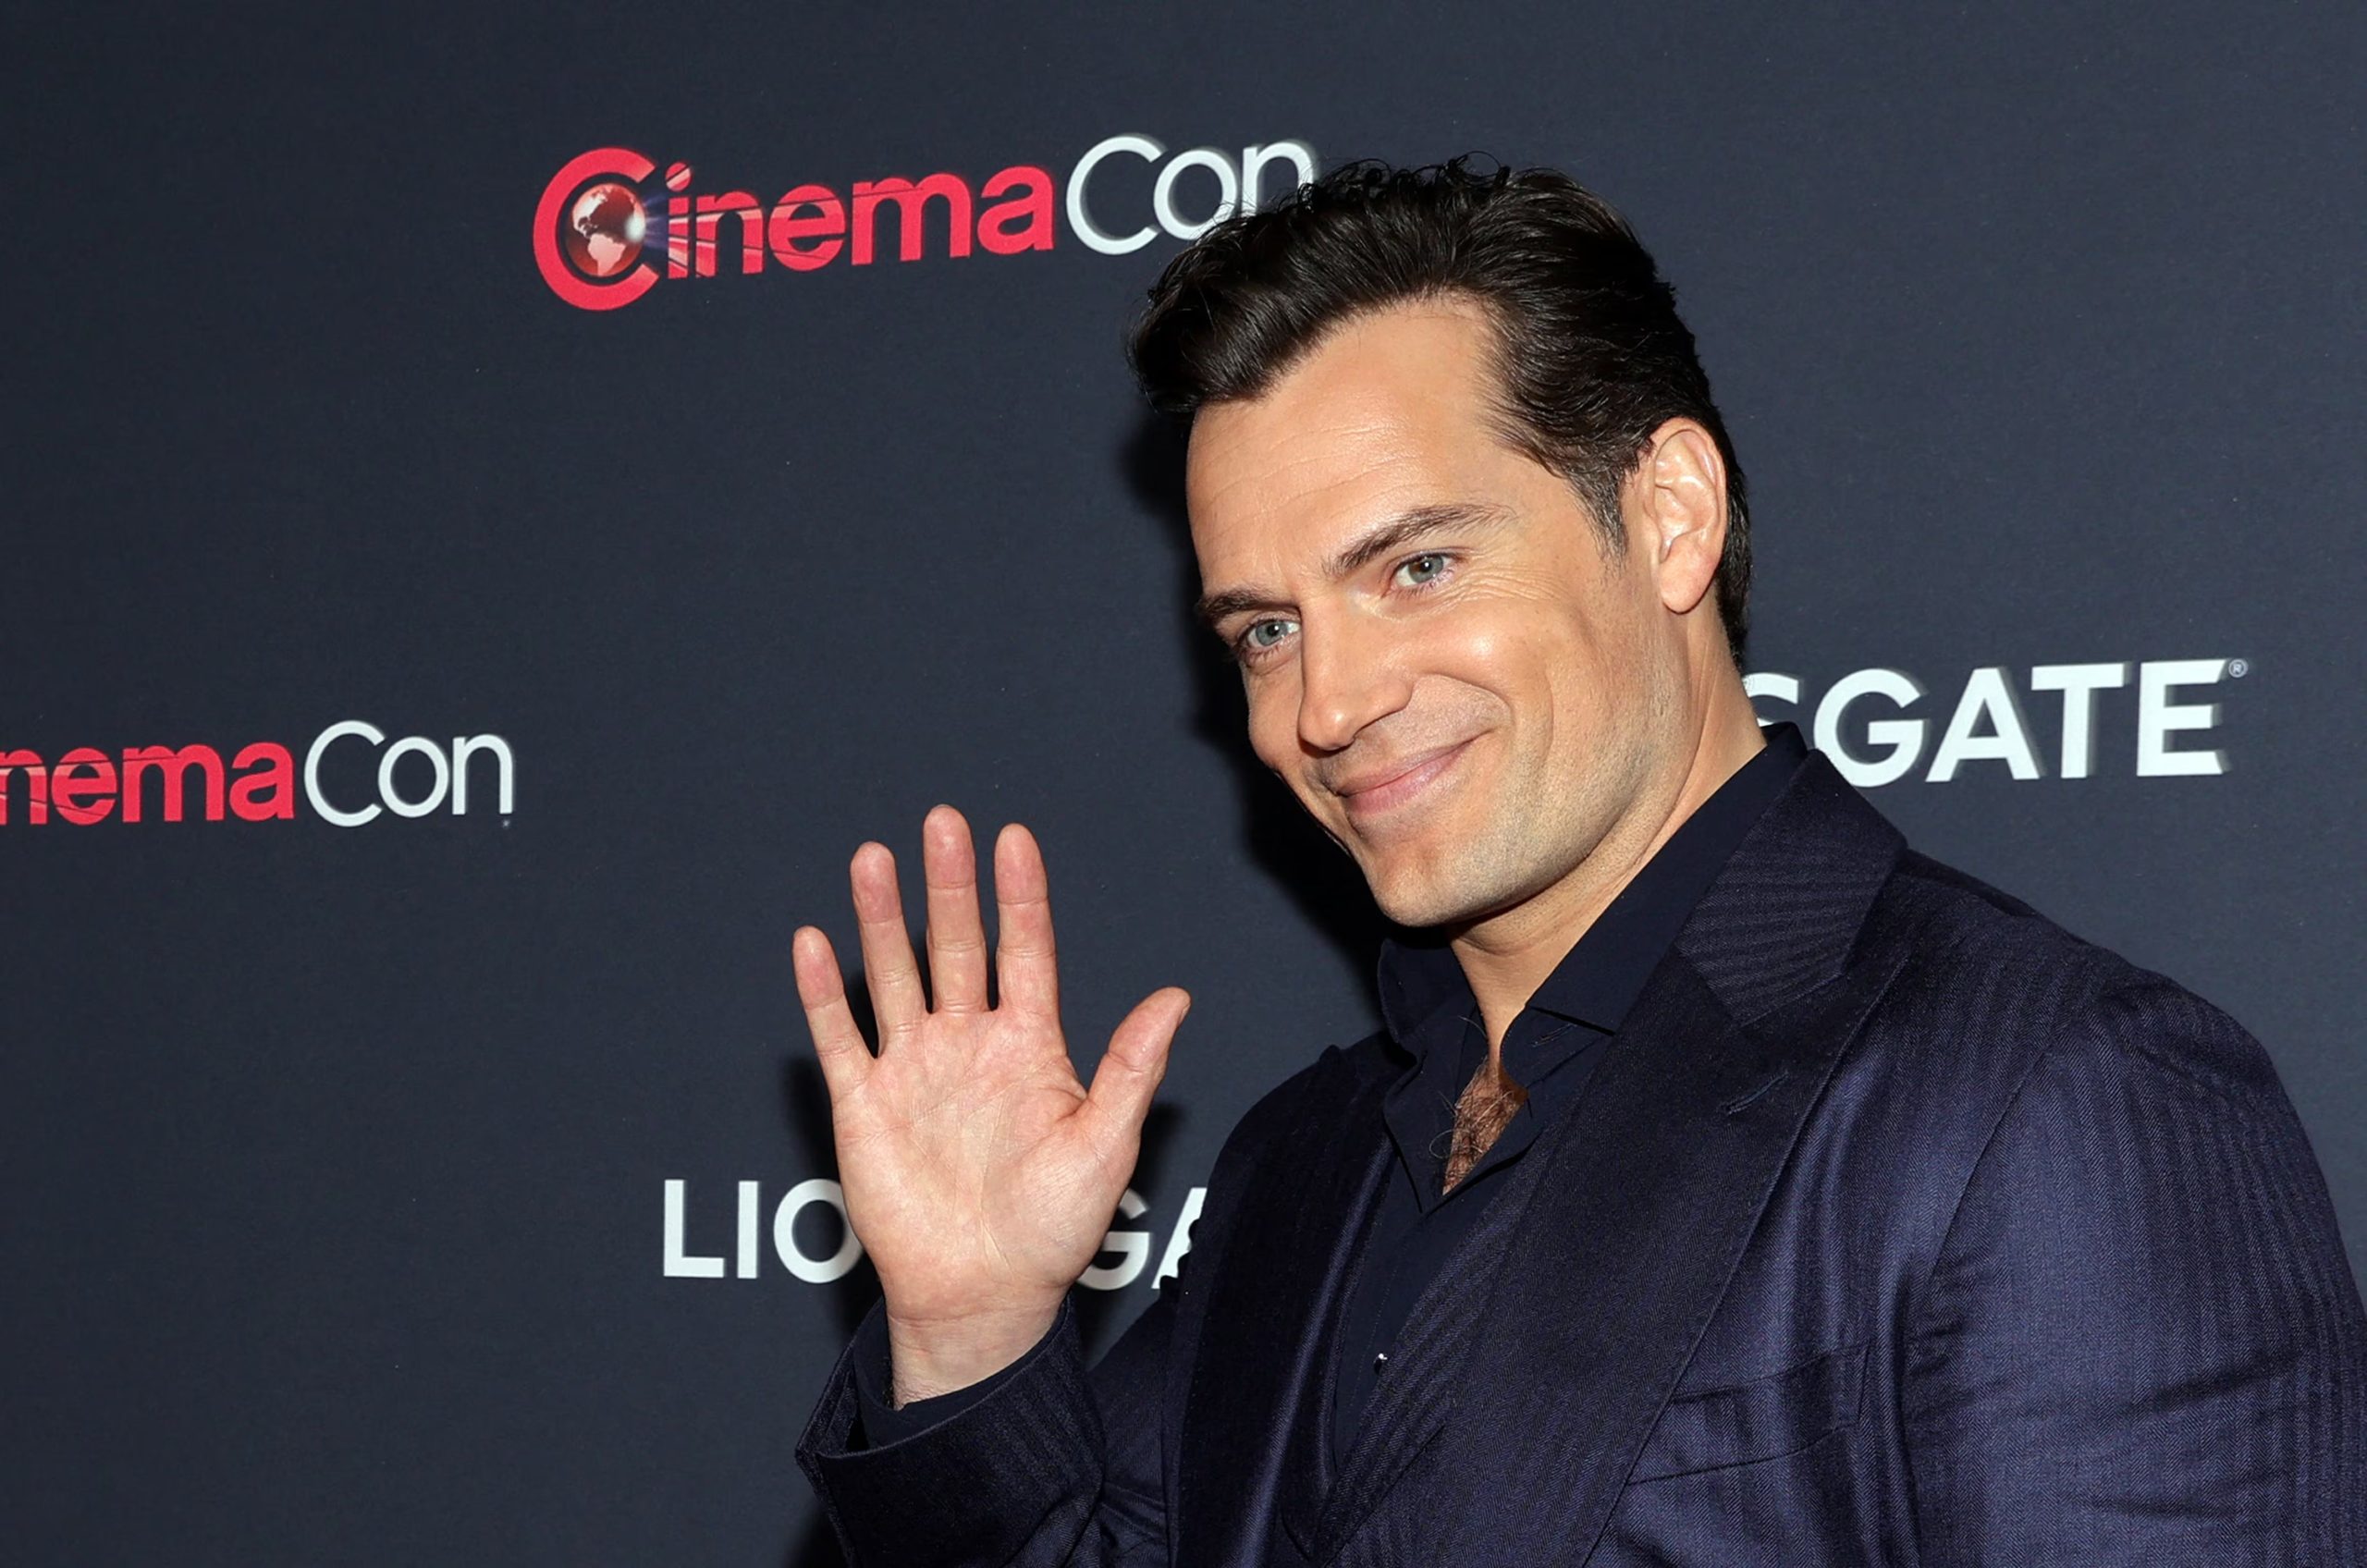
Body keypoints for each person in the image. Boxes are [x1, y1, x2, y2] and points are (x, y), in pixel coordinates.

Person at [787, 159, 2367, 1564]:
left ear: (1671, 516)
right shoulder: (1303, 1161)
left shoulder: (2053, 1096)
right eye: (1268, 630)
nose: (1326, 705)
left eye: (1416, 566)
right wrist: (974, 1331)